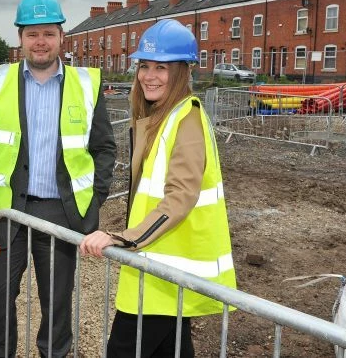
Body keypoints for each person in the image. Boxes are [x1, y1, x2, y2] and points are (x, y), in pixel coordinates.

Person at [0, 0, 116, 358]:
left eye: (49, 33)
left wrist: (94, 199)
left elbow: (104, 148)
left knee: (57, 304)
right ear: (19, 37)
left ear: (61, 38)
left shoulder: (87, 84)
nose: (41, 42)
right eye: (32, 33)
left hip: (60, 212)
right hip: (7, 213)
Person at [80, 19, 237, 358]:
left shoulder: (187, 118)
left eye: (161, 68)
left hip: (162, 270)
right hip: (160, 269)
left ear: (182, 72)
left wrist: (124, 237)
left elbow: (180, 197)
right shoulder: (162, 116)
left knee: (122, 350)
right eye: (145, 66)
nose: (149, 76)